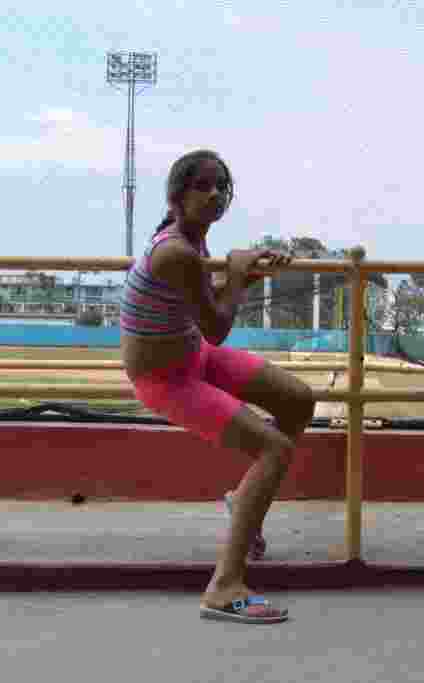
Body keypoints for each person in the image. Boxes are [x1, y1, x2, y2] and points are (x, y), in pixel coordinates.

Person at [121, 149, 316, 624]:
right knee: (274, 450)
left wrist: (244, 270)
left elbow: (206, 316)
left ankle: (242, 504)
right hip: (165, 379)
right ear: (176, 196)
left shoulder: (193, 241)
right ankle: (224, 585)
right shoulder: (175, 252)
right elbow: (217, 326)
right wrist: (237, 274)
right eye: (203, 186)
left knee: (299, 400)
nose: (215, 195)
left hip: (194, 358)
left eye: (222, 187)